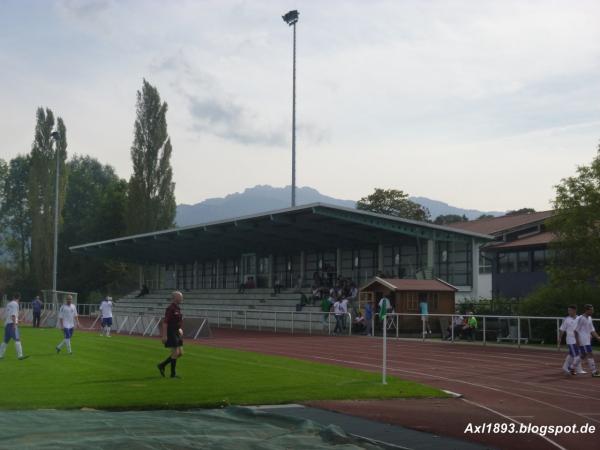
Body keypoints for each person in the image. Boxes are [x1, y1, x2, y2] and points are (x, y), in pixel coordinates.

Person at [157, 291, 184, 378]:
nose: (182, 298)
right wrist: (164, 335)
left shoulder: (177, 308)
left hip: (177, 332)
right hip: (171, 332)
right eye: (180, 297)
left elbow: (177, 321)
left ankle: (162, 365)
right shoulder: (170, 308)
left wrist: (179, 329)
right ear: (175, 298)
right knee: (175, 352)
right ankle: (173, 374)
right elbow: (165, 323)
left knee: (180, 353)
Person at [574, 304, 600, 377]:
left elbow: (592, 330)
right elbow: (576, 330)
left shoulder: (589, 318)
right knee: (590, 354)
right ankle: (594, 372)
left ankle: (572, 367)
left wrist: (598, 337)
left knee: (583, 355)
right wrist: (577, 341)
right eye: (591, 310)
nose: (593, 311)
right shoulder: (581, 319)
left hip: (587, 340)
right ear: (586, 310)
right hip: (583, 340)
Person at [0, 293, 28, 360]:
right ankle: (20, 356)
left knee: (5, 341)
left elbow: (9, 315)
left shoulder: (9, 304)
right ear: (19, 298)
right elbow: (13, 315)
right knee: (17, 339)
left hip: (7, 324)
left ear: (13, 297)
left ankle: (0, 355)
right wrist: (15, 324)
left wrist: (18, 320)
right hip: (12, 324)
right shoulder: (15, 304)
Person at [558, 304, 580, 376]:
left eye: (570, 310)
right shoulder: (566, 319)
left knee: (571, 354)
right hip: (570, 340)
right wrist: (560, 338)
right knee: (576, 356)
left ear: (574, 310)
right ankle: (571, 368)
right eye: (568, 310)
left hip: (578, 340)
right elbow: (562, 329)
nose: (568, 312)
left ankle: (565, 367)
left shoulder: (579, 318)